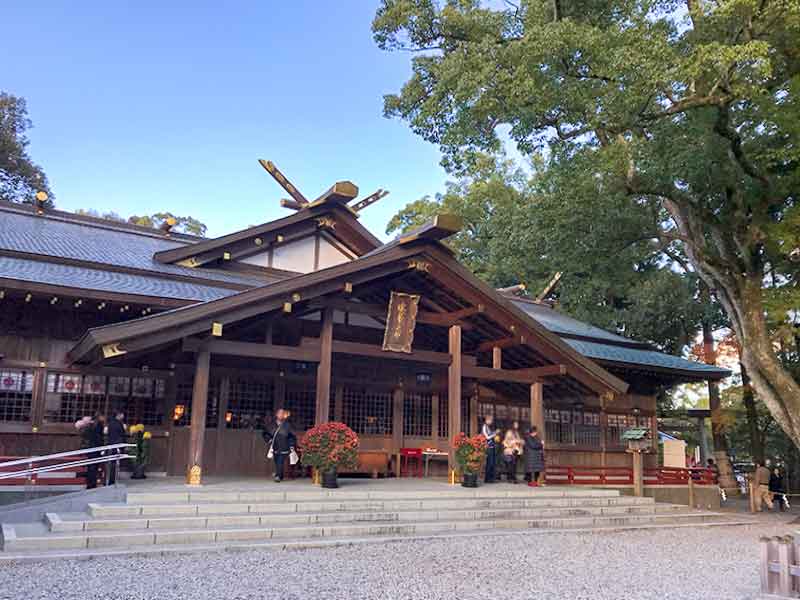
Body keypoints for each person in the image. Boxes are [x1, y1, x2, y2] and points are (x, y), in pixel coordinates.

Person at [263, 408, 296, 482]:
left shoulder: (287, 425)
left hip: (284, 446)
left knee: (280, 460)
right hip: (275, 446)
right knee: (277, 460)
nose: (281, 415)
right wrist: (269, 440)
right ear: (276, 415)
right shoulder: (271, 424)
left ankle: (277, 476)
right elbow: (265, 433)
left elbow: (292, 436)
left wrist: (291, 445)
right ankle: (280, 475)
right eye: (280, 413)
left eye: (282, 413)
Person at [84, 413, 106, 489]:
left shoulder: (91, 425)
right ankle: (93, 483)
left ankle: (89, 483)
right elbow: (99, 438)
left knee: (91, 467)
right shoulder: (99, 425)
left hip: (90, 448)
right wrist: (102, 447)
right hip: (96, 448)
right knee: (94, 467)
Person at [106, 410, 126, 485]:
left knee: (112, 463)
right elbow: (120, 435)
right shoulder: (118, 424)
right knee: (114, 464)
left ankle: (112, 479)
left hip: (111, 444)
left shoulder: (111, 423)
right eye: (122, 414)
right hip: (116, 445)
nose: (123, 416)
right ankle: (112, 480)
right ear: (118, 415)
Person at [481, 414, 498, 483]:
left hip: (492, 446)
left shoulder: (488, 427)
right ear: (487, 420)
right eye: (490, 420)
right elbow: (487, 437)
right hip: (488, 447)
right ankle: (487, 478)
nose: (491, 421)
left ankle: (491, 478)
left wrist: (494, 433)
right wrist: (495, 433)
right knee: (489, 463)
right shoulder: (484, 427)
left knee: (492, 463)